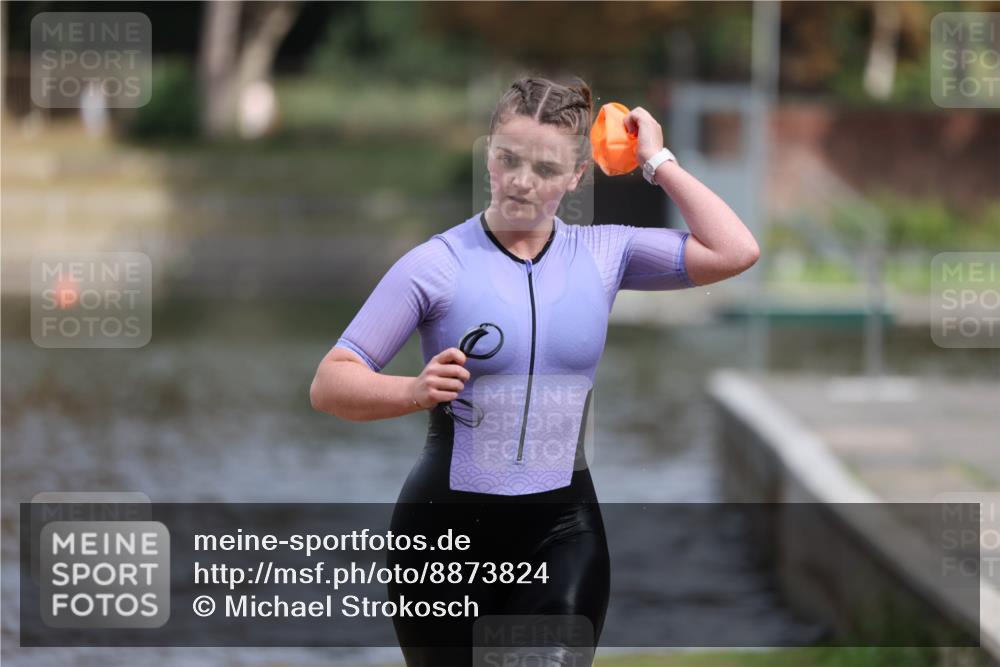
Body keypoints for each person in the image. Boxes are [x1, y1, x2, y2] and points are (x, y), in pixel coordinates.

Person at [310, 74, 760, 667]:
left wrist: (658, 161)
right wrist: (412, 390)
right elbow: (330, 382)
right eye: (507, 159)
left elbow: (735, 250)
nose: (522, 181)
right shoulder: (437, 265)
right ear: (488, 155)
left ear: (578, 178)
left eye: (547, 169)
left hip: (562, 532)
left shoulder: (606, 254)